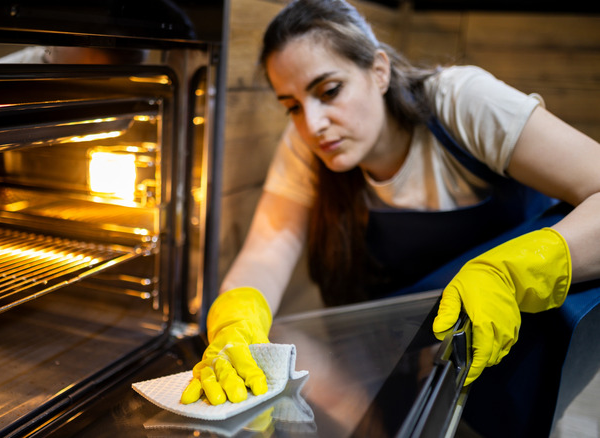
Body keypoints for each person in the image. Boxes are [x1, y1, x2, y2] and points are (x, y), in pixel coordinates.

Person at [180, 0, 600, 435]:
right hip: (399, 347)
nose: (313, 123)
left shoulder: (459, 100)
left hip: (514, 334)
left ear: (378, 71)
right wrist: (235, 318)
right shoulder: (307, 145)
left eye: (328, 91)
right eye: (292, 106)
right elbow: (266, 254)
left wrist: (511, 273)